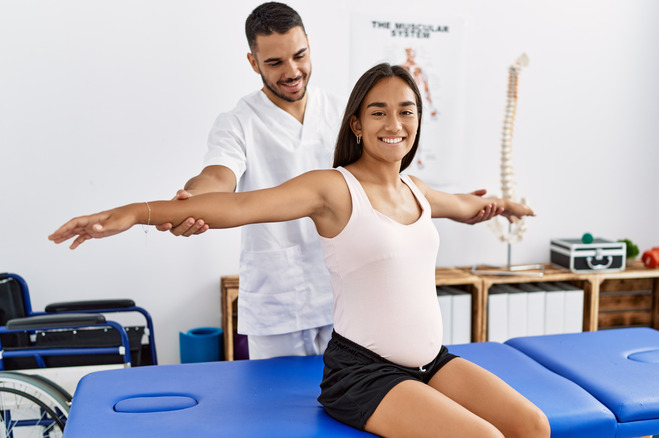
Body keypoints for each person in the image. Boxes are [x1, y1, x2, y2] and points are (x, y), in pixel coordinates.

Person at [50, 63, 548, 438]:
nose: (394, 122)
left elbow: (464, 205)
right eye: (378, 111)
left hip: (430, 363)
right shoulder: (333, 188)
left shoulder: (415, 190)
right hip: (364, 376)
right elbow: (242, 205)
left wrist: (501, 206)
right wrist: (135, 212)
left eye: (406, 110)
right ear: (357, 124)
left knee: (533, 426)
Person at [156, 2, 502, 360]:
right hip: (277, 301)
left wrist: (466, 205)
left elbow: (390, 190)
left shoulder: (344, 112)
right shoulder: (237, 122)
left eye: (299, 56)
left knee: (354, 394)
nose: (292, 71)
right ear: (253, 62)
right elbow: (217, 176)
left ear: (309, 44)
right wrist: (192, 200)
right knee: (280, 396)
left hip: (349, 297)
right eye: (275, 62)